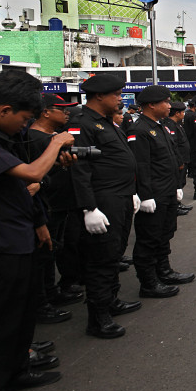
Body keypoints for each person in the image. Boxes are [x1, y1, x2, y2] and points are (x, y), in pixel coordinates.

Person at [0, 71, 75, 391]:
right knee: (1, 318)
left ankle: (16, 370)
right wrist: (56, 143)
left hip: (20, 233)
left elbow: (25, 186)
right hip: (0, 244)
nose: (24, 126)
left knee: (22, 314)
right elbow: (29, 175)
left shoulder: (6, 138)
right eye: (24, 119)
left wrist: (39, 223)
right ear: (4, 109)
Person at [67, 74, 143, 338]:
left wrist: (132, 192)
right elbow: (80, 168)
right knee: (100, 259)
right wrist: (88, 208)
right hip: (102, 201)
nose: (120, 100)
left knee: (114, 254)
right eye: (116, 95)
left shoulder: (106, 123)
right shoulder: (82, 123)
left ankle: (111, 301)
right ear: (99, 96)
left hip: (120, 197)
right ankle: (98, 319)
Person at [21, 94, 83, 324]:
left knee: (55, 251)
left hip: (61, 202)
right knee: (43, 255)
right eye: (61, 109)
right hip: (45, 206)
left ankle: (51, 293)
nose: (66, 114)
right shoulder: (33, 139)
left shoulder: (56, 137)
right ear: (46, 112)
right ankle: (42, 303)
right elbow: (34, 177)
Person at [130, 85, 193, 299]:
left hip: (166, 190)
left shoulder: (160, 127)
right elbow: (141, 166)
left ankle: (163, 271)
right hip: (153, 194)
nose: (169, 106)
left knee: (165, 233)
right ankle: (148, 282)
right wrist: (145, 196)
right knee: (149, 238)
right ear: (151, 105)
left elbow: (170, 158)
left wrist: (176, 186)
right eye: (165, 102)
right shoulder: (140, 130)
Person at [162, 101, 193, 215]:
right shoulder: (169, 125)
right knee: (177, 183)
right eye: (182, 112)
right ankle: (175, 206)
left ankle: (178, 204)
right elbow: (174, 145)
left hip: (183, 159)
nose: (184, 114)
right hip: (178, 160)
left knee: (181, 182)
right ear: (177, 113)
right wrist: (179, 161)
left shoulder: (177, 124)